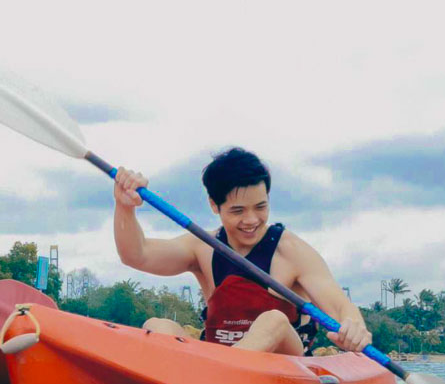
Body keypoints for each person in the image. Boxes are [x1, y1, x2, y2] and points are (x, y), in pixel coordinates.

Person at [112, 147, 371, 356]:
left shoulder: (291, 251)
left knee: (274, 321)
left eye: (260, 207)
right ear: (215, 205)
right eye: (238, 211)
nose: (251, 220)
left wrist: (353, 327)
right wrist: (125, 207)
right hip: (217, 360)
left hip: (285, 361)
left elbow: (339, 306)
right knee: (157, 326)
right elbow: (137, 255)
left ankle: (218, 376)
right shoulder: (202, 246)